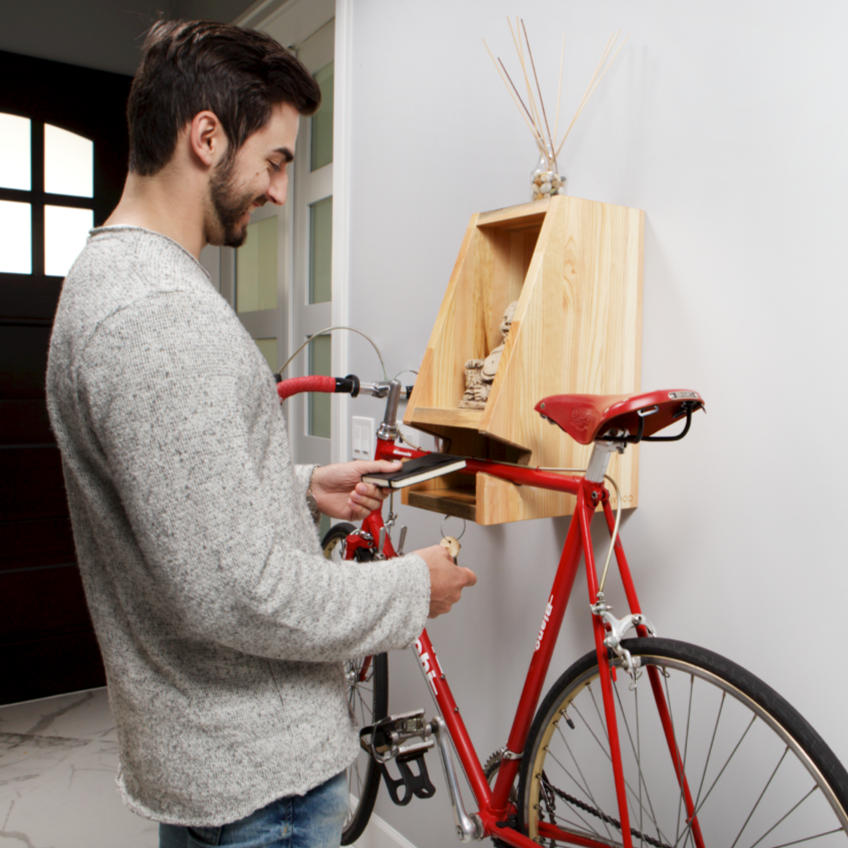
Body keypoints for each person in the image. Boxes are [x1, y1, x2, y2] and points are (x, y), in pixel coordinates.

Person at [45, 20, 476, 848]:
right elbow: (242, 593)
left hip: (214, 768)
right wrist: (412, 590)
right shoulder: (161, 317)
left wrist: (300, 486)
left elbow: (170, 504)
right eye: (275, 161)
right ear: (206, 136)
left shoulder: (112, 278)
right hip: (262, 786)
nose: (280, 191)